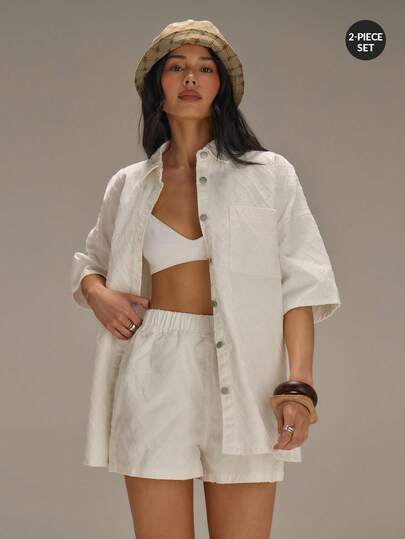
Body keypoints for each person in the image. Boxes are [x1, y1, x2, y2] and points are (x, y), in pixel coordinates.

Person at [71, 19, 342, 539]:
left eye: (204, 68)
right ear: (158, 84)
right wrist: (97, 293)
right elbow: (91, 261)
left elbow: (302, 285)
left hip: (248, 373)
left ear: (222, 86)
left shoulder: (269, 175)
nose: (190, 77)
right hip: (154, 367)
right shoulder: (129, 184)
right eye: (177, 67)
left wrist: (299, 386)